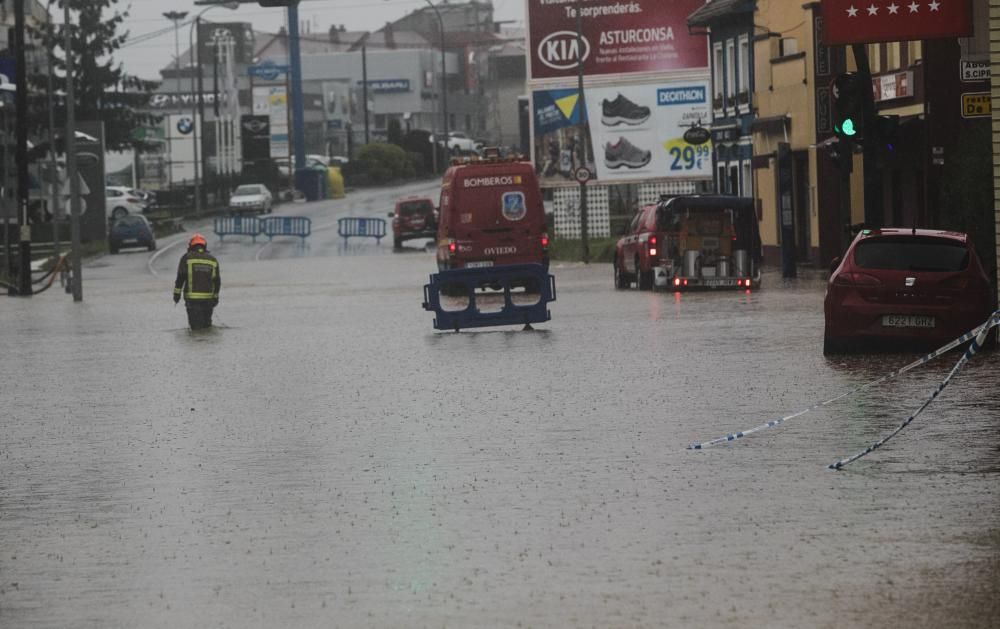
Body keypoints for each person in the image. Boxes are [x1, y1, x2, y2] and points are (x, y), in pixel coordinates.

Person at [173, 234, 220, 330]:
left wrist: (176, 295)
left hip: (192, 301)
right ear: (204, 246)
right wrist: (215, 297)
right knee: (207, 326)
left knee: (195, 328)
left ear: (191, 246)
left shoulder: (186, 258)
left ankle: (196, 343)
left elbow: (180, 278)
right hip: (208, 300)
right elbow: (217, 281)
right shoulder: (212, 259)